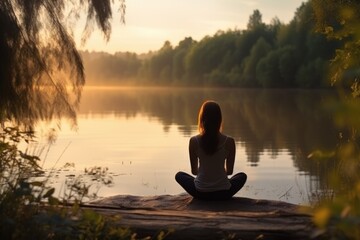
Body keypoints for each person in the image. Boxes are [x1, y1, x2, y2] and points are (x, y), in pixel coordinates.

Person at [175, 100, 247, 200]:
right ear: (219, 119)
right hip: (224, 193)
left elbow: (194, 172)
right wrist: (217, 174)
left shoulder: (194, 141)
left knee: (179, 175)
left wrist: (206, 173)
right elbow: (229, 172)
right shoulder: (229, 141)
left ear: (202, 119)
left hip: (200, 193)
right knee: (242, 176)